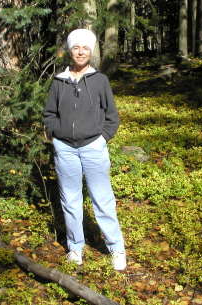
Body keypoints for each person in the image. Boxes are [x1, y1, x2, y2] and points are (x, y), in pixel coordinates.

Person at [43, 28, 126, 270]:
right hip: (65, 150)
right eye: (76, 47)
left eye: (85, 48)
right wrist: (57, 135)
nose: (81, 52)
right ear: (70, 51)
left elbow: (112, 116)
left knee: (102, 200)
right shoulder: (59, 81)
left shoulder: (100, 80)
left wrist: (102, 139)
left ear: (91, 52)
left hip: (93, 148)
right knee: (70, 200)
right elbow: (49, 114)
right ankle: (75, 248)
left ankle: (116, 248)